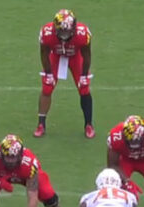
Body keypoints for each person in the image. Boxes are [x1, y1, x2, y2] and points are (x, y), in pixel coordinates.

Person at [34, 9, 95, 139]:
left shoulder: (82, 34)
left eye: (67, 31)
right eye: (61, 31)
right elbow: (44, 54)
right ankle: (41, 124)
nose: (64, 34)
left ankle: (88, 124)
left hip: (75, 57)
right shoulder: (47, 34)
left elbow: (87, 56)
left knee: (84, 88)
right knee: (47, 87)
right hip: (55, 55)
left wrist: (84, 75)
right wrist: (48, 73)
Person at [107, 115, 144, 199]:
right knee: (117, 186)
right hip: (126, 160)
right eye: (131, 141)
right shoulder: (115, 136)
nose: (135, 146)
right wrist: (126, 182)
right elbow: (112, 165)